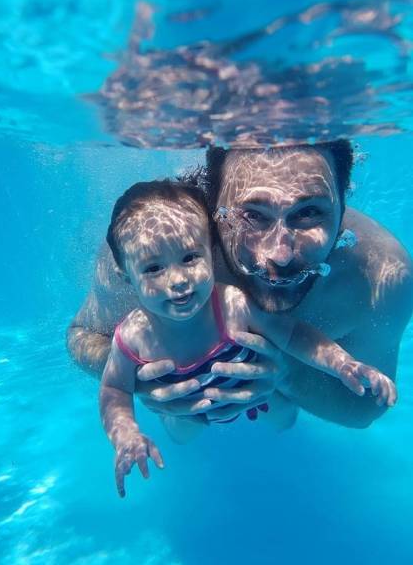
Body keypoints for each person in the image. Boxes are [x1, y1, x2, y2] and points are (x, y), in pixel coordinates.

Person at [67, 139, 412, 429]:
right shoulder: (154, 251)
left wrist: (283, 374)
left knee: (282, 419)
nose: (280, 254)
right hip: (187, 389)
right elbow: (82, 334)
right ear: (213, 208)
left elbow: (366, 408)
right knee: (181, 428)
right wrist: (141, 378)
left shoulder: (380, 274)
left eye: (308, 213)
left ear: (342, 205)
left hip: (285, 395)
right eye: (253, 215)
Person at [100, 179, 396, 497]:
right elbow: (114, 388)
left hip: (256, 393)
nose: (178, 280)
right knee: (181, 433)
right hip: (190, 407)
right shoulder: (133, 336)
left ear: (211, 252)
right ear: (125, 275)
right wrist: (126, 435)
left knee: (284, 419)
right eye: (154, 268)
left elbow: (292, 334)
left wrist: (343, 364)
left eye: (189, 258)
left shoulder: (231, 304)